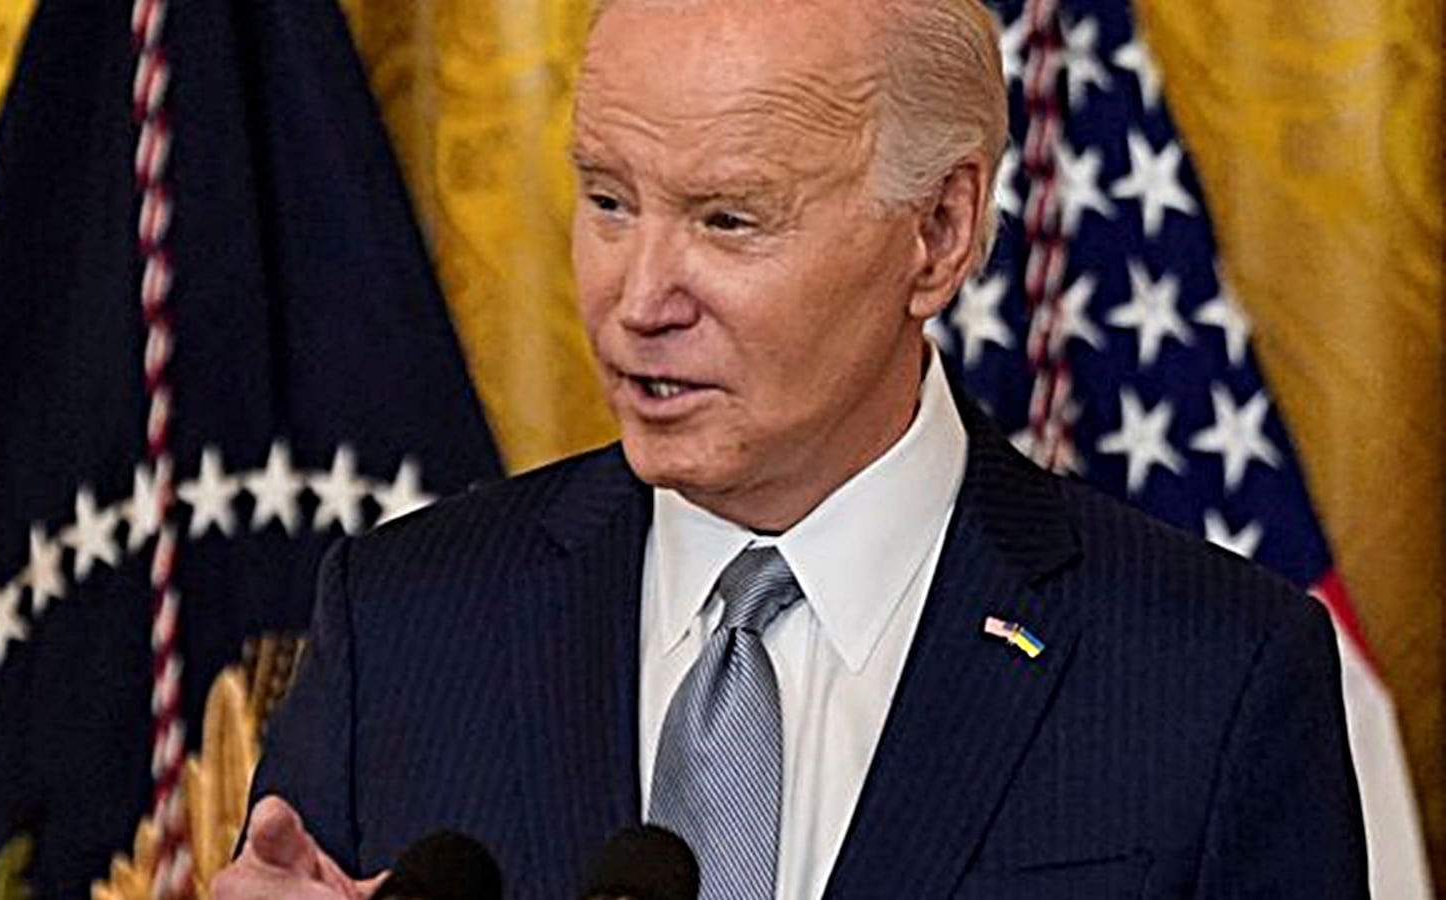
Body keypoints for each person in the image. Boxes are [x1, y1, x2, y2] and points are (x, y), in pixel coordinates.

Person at [213, 0, 1367, 897]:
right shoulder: (406, 622)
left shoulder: (1210, 675)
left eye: (727, 218)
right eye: (609, 201)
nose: (637, 298)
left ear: (939, 232)